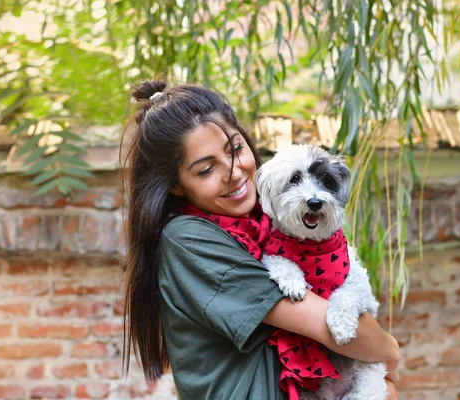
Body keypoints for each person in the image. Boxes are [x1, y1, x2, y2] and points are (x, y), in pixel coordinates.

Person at [122, 80, 400, 400]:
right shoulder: (189, 239)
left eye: (235, 149)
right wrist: (390, 351)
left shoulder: (273, 223)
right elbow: (334, 329)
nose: (234, 172)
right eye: (206, 170)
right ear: (176, 186)